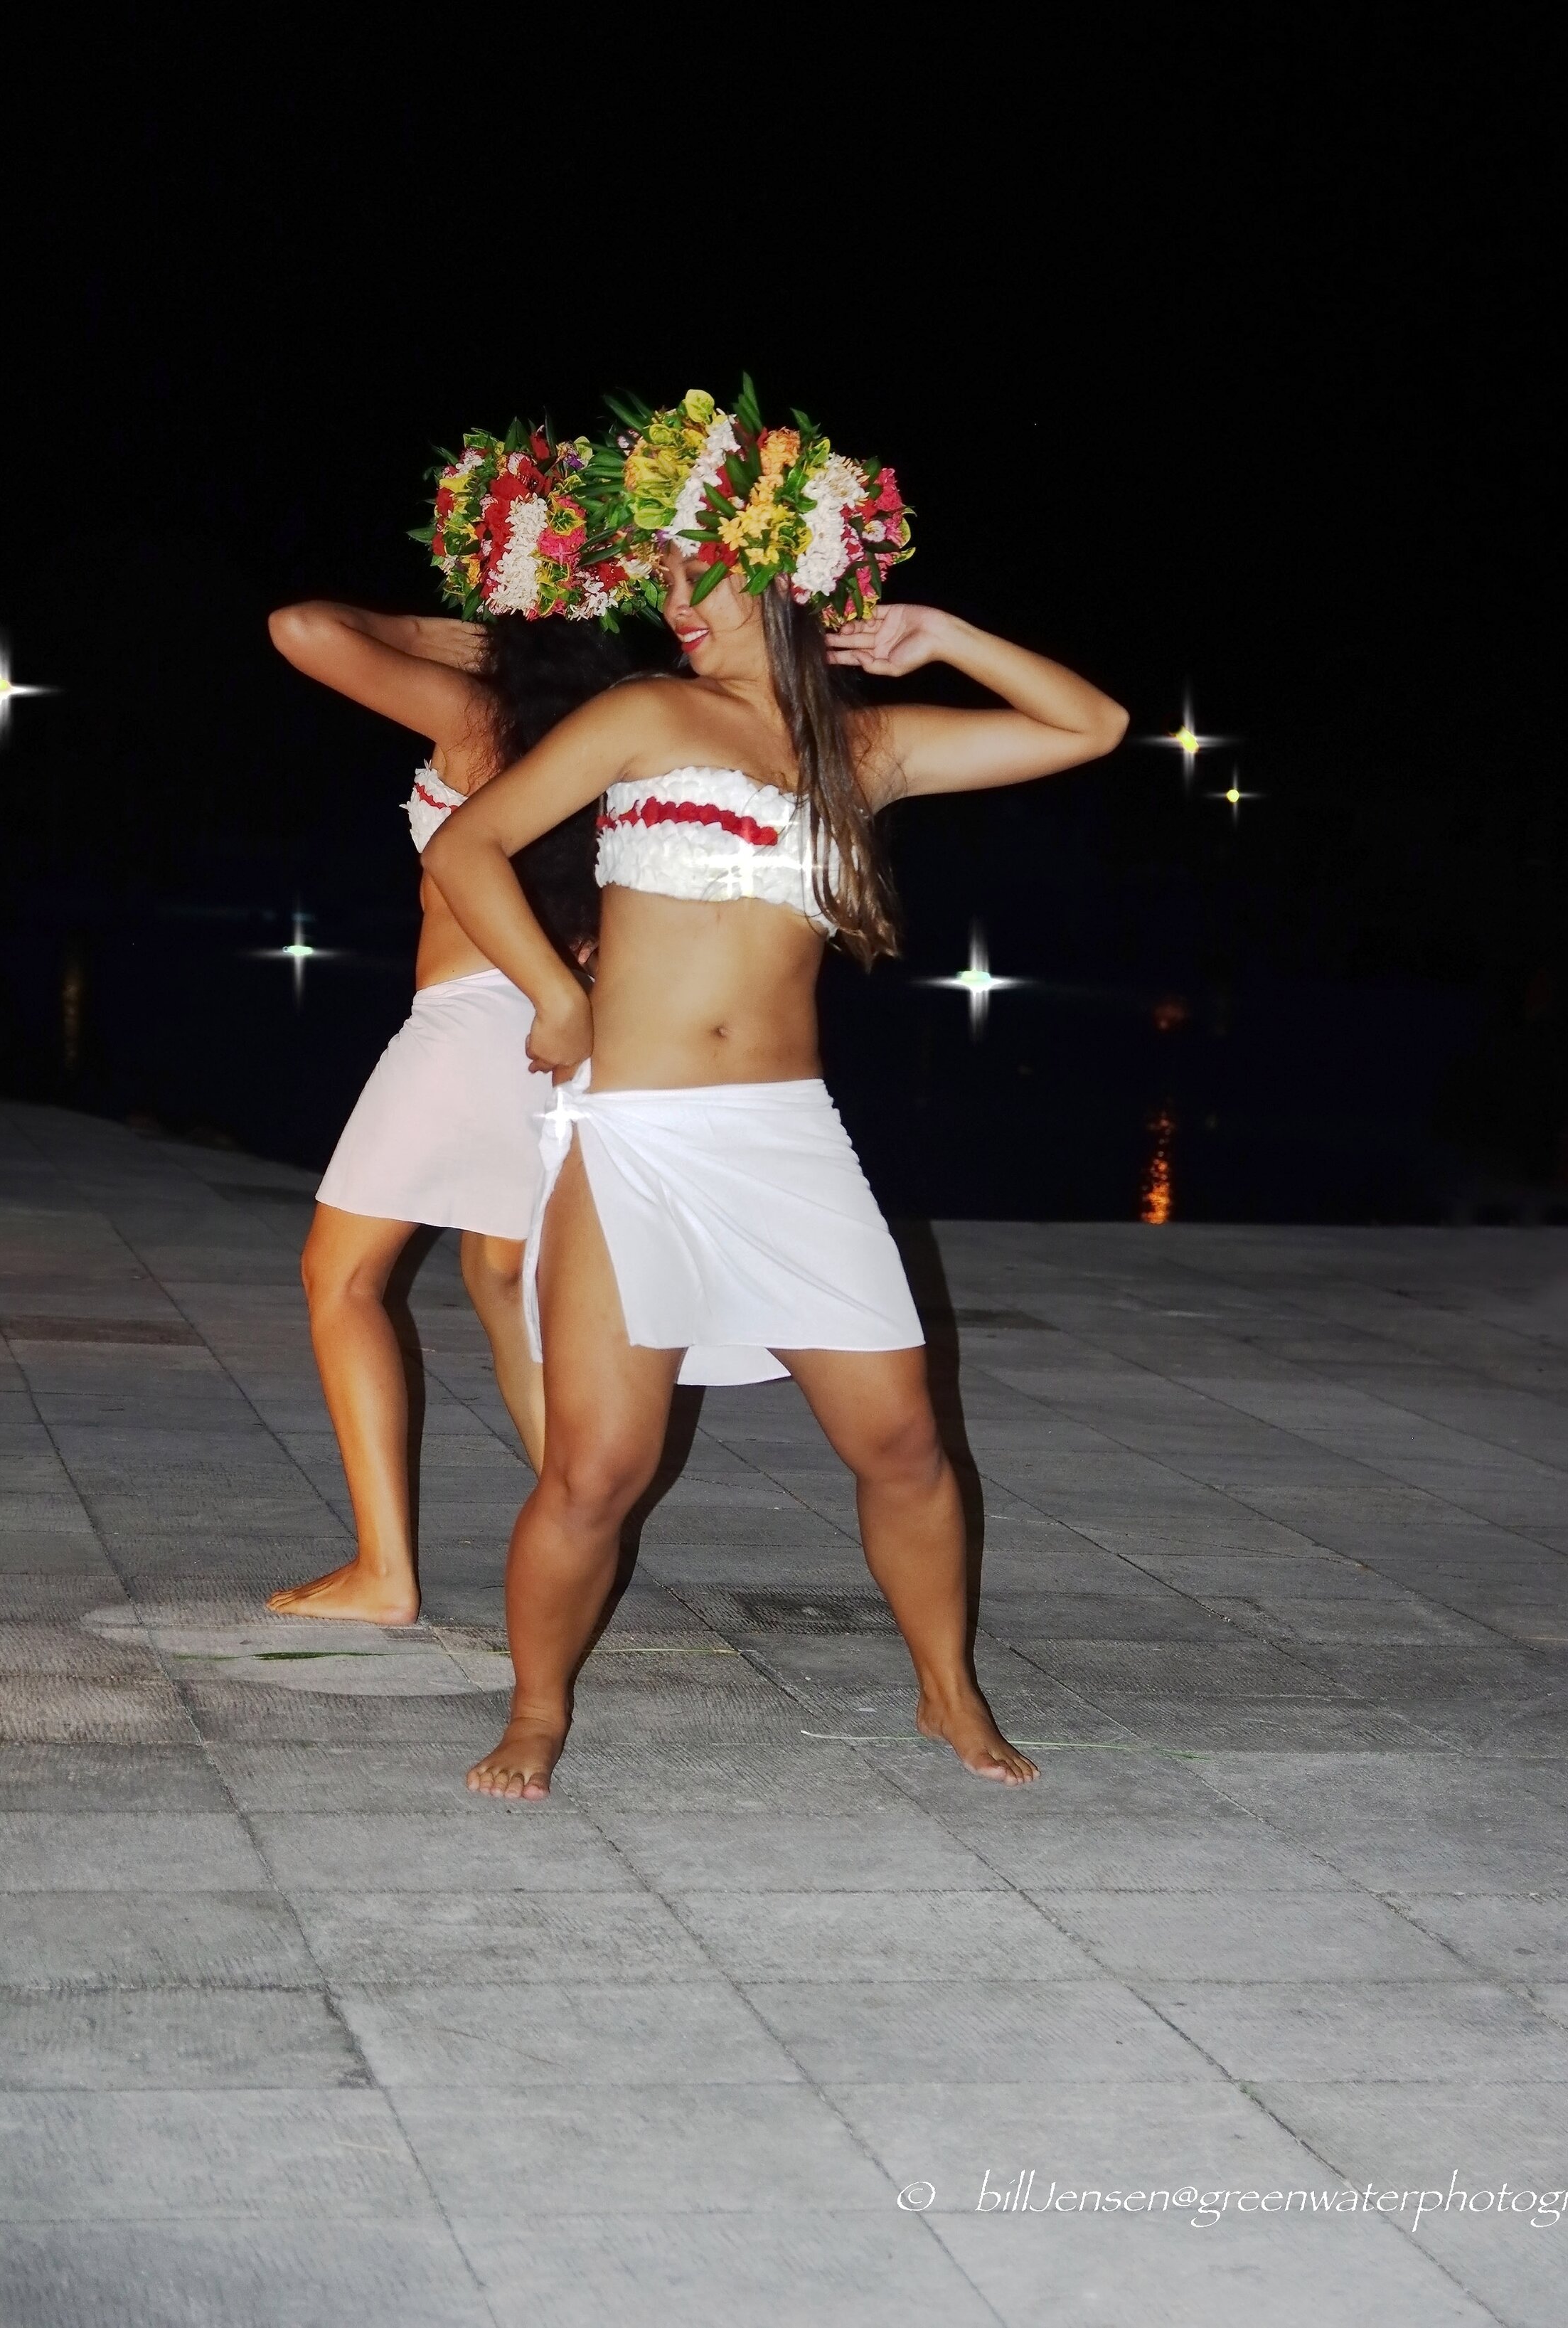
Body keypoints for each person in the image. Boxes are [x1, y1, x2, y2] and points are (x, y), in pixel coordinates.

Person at [422, 386, 1128, 1792]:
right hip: (632, 1139)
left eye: (709, 575)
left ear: (792, 579)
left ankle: (945, 1692)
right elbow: (471, 850)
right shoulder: (644, 714)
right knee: (597, 1469)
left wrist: (943, 634)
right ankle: (536, 1712)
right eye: (669, 577)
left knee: (904, 1440)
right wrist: (558, 998)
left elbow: (1093, 724)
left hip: (785, 1139)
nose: (678, 600)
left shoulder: (865, 750)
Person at [265, 426, 653, 1623]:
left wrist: (499, 625)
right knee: (500, 1276)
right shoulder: (634, 721)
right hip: (577, 1026)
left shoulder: (477, 710)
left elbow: (304, 630)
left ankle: (386, 1572)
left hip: (478, 1018)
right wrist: (552, 619)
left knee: (341, 1275)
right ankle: (577, 1534)